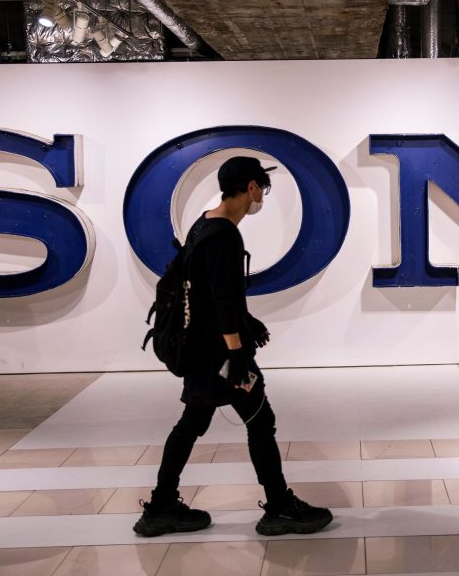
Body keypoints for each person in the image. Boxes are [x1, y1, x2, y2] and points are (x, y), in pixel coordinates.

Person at [133, 156, 333, 538]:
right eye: (263, 188)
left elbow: (204, 290)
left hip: (199, 353)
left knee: (192, 423)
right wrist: (238, 354)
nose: (262, 197)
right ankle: (279, 508)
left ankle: (160, 506)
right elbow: (223, 301)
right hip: (220, 357)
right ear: (252, 187)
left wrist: (246, 320)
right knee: (260, 419)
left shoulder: (204, 224)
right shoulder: (226, 235)